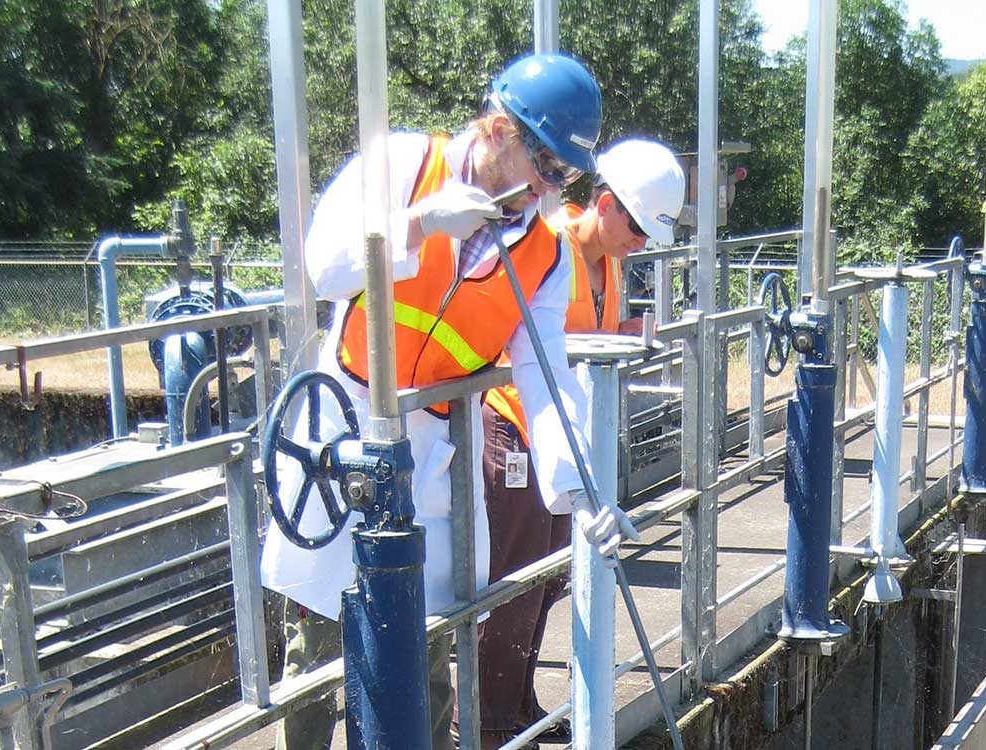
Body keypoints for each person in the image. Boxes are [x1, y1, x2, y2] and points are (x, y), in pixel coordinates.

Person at [259, 53, 637, 750]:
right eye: (546, 167)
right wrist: (417, 224)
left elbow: (547, 382)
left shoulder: (544, 258)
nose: (550, 190)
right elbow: (324, 265)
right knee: (316, 645)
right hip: (341, 424)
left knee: (427, 649)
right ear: (498, 129)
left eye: (566, 177)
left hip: (428, 453)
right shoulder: (401, 164)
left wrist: (584, 493)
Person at [477, 139, 685, 748]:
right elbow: (524, 342)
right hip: (516, 428)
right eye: (638, 227)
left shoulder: (608, 264)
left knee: (549, 577)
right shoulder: (549, 245)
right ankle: (486, 721)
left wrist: (624, 334)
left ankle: (517, 703)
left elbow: (581, 334)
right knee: (515, 576)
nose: (641, 243)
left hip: (563, 443)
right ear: (604, 203)